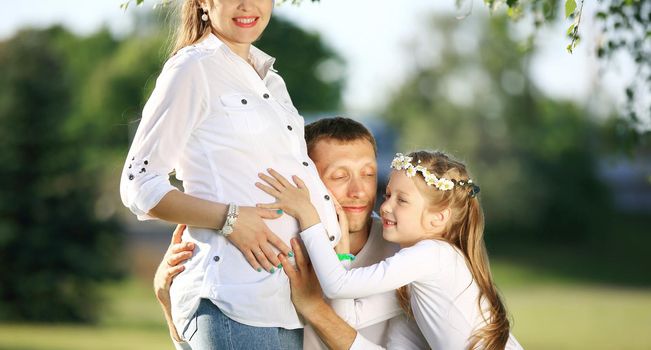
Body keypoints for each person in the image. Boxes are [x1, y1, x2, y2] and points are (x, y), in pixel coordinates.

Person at [119, 0, 341, 348]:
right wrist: (231, 218)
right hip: (233, 303)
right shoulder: (192, 69)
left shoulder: (272, 81)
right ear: (204, 3)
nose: (247, 5)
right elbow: (139, 183)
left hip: (292, 305)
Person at [154, 117, 428, 349]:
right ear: (306, 179)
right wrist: (172, 299)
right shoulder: (277, 246)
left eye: (367, 174)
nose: (359, 192)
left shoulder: (400, 249)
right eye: (340, 176)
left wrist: (312, 305)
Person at [258, 150, 524, 349]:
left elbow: (337, 286)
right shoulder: (416, 282)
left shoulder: (433, 255)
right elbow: (352, 319)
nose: (385, 207)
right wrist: (342, 252)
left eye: (402, 200)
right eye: (387, 195)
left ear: (438, 218)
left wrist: (309, 217)